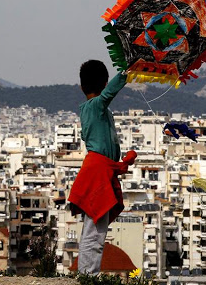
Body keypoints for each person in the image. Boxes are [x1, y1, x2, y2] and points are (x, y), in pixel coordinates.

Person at [68, 59, 137, 274]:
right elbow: (108, 95)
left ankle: (89, 272)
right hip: (99, 172)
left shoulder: (95, 110)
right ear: (106, 82)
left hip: (102, 171)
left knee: (96, 229)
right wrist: (126, 73)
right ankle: (88, 274)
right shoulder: (96, 106)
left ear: (81, 87)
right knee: (95, 231)